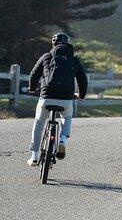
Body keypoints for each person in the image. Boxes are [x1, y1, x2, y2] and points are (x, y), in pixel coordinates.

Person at [27, 33, 87, 167]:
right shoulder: (74, 60)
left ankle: (35, 156)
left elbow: (34, 75)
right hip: (66, 98)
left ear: (53, 44)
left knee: (39, 122)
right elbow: (83, 80)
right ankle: (62, 141)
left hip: (46, 97)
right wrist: (81, 95)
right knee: (67, 117)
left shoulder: (46, 56)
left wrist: (32, 88)